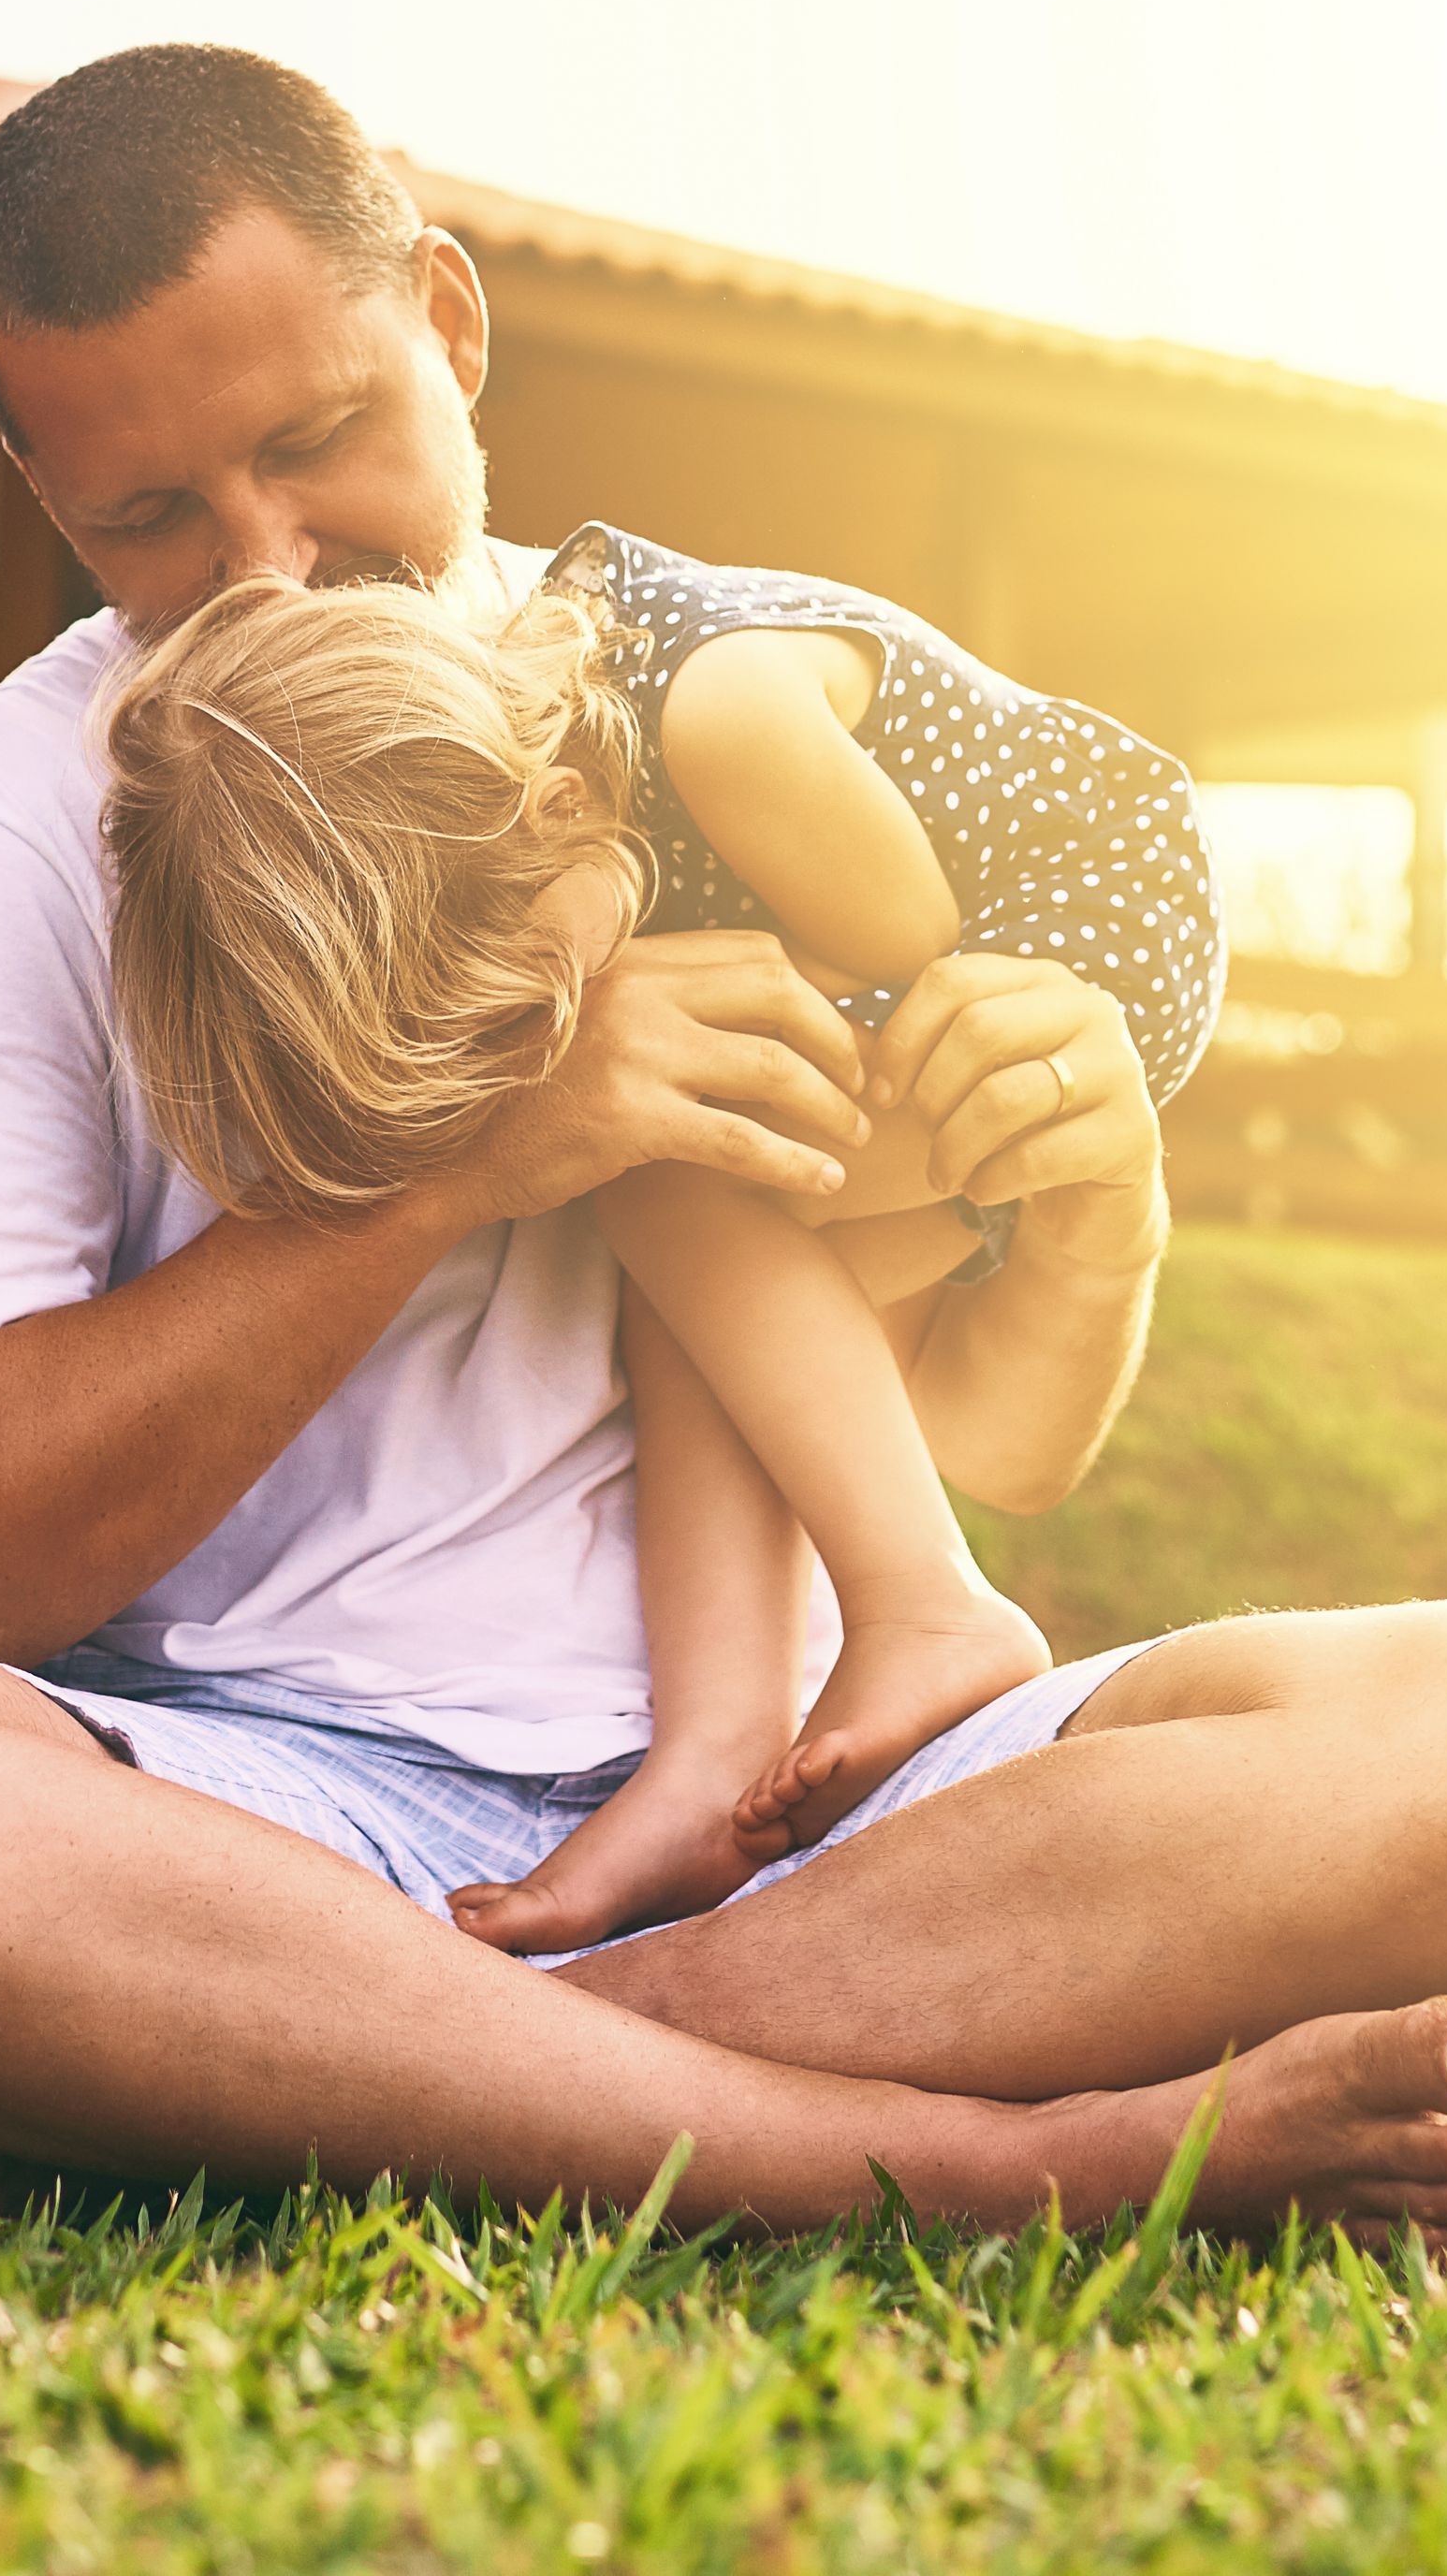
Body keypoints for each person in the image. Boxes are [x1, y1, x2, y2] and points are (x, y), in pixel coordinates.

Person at [0, 45, 1447, 2247]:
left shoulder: (741, 712)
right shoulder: (22, 803)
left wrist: (1094, 1217)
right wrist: (467, 1156)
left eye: (313, 442)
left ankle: (327, 2071)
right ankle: (991, 2161)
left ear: (447, 322)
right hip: (258, 1811)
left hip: (835, 1806)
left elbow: (960, 1441)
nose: (262, 565)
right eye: (146, 518)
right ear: (44, 491)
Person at [93, 503, 1219, 1955]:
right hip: (975, 976)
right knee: (704, 1284)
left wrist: (816, 1046)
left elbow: (905, 941)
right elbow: (994, 1434)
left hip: (1062, 933)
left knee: (675, 1178)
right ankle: (720, 1750)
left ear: (543, 822)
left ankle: (925, 1607)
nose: (528, 1047)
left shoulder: (719, 717)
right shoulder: (582, 758)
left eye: (510, 999)